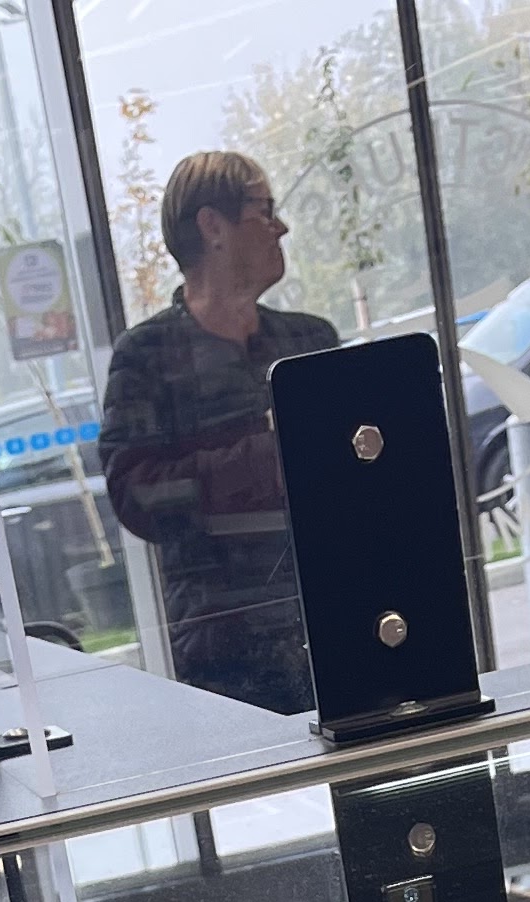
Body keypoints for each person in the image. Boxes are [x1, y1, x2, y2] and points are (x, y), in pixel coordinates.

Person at [97, 153, 340, 713]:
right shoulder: (147, 356)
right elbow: (136, 496)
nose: (282, 227)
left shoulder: (309, 341)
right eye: (265, 209)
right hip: (227, 662)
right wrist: (272, 456)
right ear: (212, 226)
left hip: (338, 623)